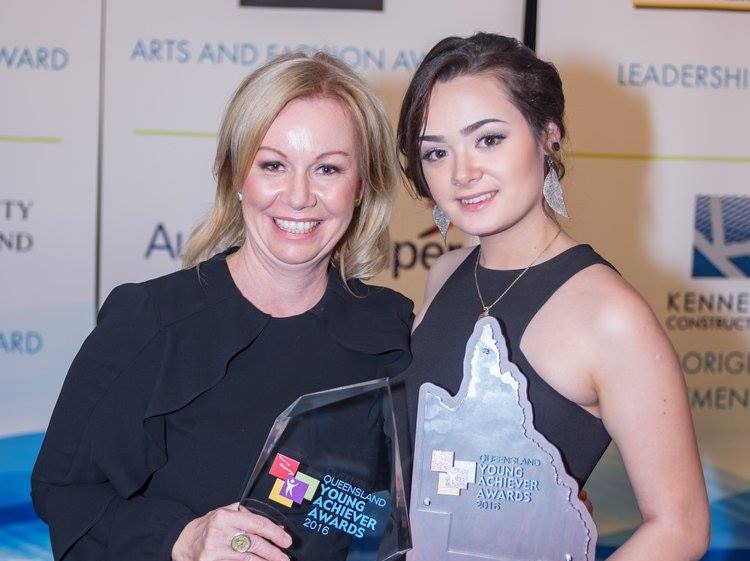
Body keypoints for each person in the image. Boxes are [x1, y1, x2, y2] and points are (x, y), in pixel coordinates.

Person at [31, 51, 412, 561]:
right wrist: (180, 539)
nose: (299, 196)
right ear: (237, 176)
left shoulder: (391, 332)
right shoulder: (150, 321)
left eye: (328, 168)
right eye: (273, 164)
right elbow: (62, 490)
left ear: (361, 186)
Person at [396, 33, 709, 560]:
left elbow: (680, 526)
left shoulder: (609, 313)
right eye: (436, 151)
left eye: (488, 139)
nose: (462, 172)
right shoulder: (445, 273)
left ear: (548, 135)